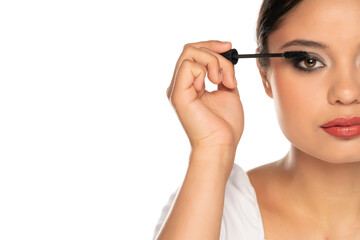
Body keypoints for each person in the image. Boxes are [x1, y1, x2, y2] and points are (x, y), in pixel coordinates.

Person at [153, 0, 360, 239]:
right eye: (309, 61)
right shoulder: (214, 208)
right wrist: (211, 149)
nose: (346, 93)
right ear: (265, 75)